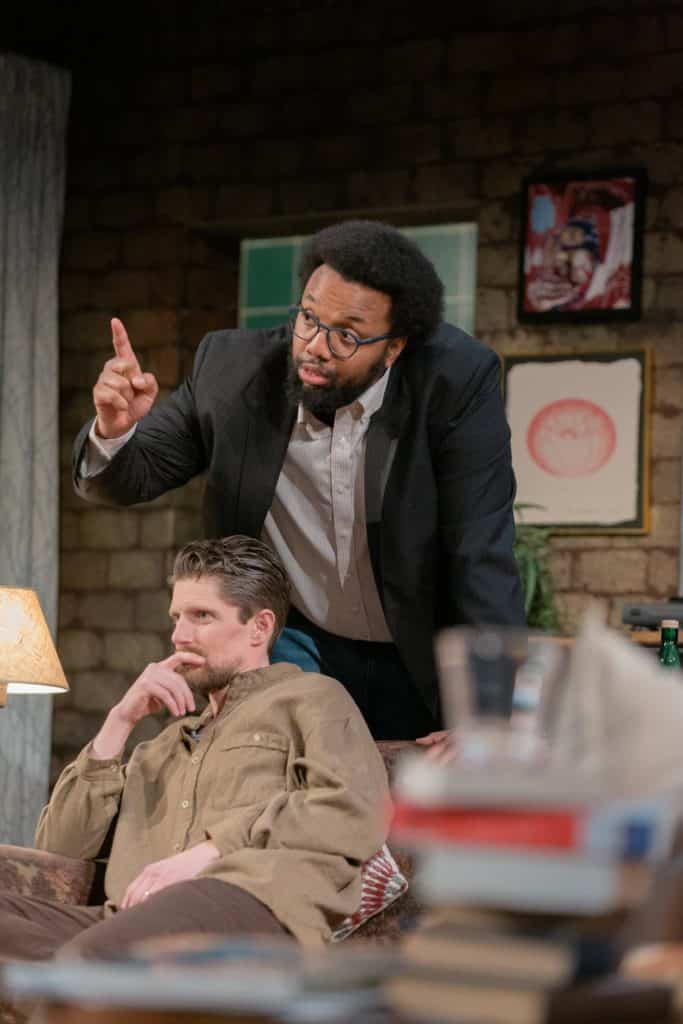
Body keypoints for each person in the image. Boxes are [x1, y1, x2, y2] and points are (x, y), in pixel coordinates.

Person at [72, 218, 525, 745]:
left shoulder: (454, 382)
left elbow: (480, 551)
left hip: (415, 644)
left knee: (412, 785)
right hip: (296, 638)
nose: (315, 346)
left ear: (394, 347)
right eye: (309, 318)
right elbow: (132, 476)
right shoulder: (233, 370)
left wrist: (489, 720)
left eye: (347, 335)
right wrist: (114, 429)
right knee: (269, 776)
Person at [0, 535, 390, 960]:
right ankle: (83, 979)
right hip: (123, 921)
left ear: (259, 627)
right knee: (84, 950)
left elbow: (354, 807)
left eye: (201, 616)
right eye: (176, 617)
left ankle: (82, 975)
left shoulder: (312, 698)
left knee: (95, 954)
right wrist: (120, 721)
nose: (179, 635)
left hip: (249, 897)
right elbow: (61, 849)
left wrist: (213, 850)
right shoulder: (160, 748)